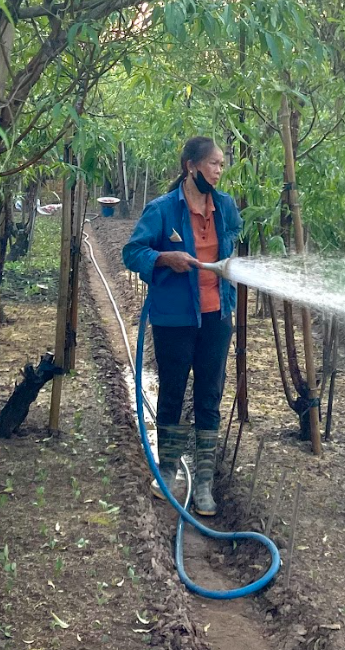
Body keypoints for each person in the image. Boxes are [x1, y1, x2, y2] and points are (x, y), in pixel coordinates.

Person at [122, 137, 242, 516]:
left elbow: (235, 244)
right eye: (213, 164)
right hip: (174, 318)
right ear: (191, 166)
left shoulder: (225, 207)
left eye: (222, 165)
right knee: (172, 392)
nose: (219, 171)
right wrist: (163, 258)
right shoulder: (162, 210)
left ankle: (204, 482)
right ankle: (169, 470)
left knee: (209, 394)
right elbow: (133, 252)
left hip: (216, 317)